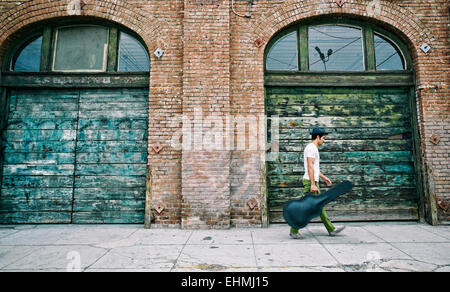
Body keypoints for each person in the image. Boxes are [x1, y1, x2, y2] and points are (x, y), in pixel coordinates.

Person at [289, 127, 345, 239]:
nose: (324, 140)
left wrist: (323, 178)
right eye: (323, 138)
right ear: (318, 137)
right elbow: (310, 166)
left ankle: (330, 229)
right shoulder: (311, 148)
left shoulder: (313, 148)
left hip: (312, 180)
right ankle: (294, 230)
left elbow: (314, 168)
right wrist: (313, 184)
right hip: (310, 182)